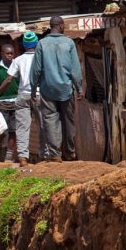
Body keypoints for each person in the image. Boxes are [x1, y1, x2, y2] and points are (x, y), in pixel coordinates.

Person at [31, 16, 83, 162]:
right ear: (60, 25)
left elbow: (36, 70)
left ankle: (55, 154)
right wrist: (79, 87)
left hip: (47, 89)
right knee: (68, 121)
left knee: (50, 120)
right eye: (64, 25)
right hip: (66, 88)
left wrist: (34, 88)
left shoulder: (41, 44)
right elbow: (75, 69)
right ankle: (70, 153)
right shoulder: (69, 43)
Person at [0, 32, 41, 166]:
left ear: (24, 45)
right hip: (38, 94)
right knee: (43, 125)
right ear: (36, 43)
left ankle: (23, 157)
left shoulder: (18, 60)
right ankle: (45, 155)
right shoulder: (41, 57)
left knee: (22, 128)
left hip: (23, 96)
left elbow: (9, 79)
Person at [0, 44, 18, 161]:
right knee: (2, 130)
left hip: (16, 102)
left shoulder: (17, 65)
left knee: (13, 130)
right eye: (7, 53)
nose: (10, 56)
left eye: (12, 54)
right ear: (2, 54)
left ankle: (9, 155)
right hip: (2, 103)